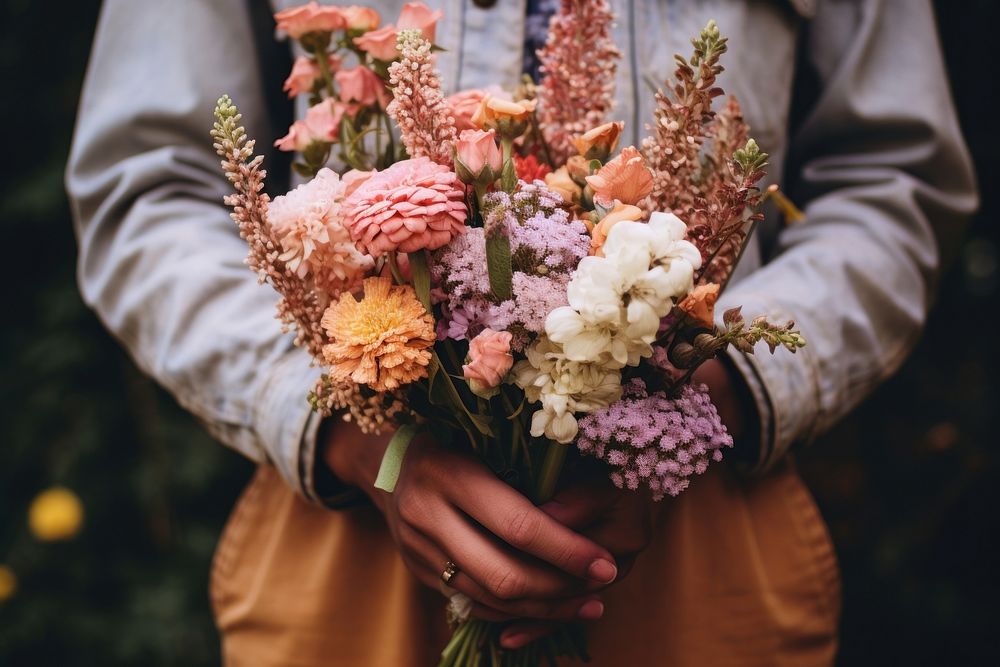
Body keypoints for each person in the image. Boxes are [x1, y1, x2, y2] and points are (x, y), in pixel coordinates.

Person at [67, 1, 977, 665]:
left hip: (703, 534)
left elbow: (892, 180)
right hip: (350, 544)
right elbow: (147, 188)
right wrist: (353, 435)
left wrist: (685, 411)